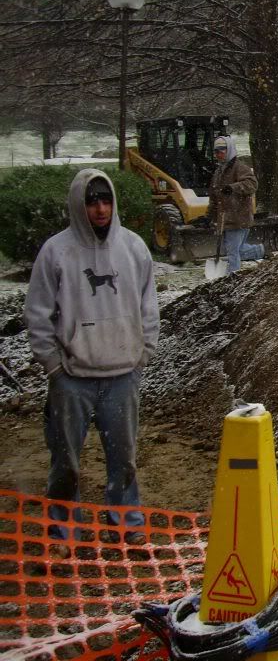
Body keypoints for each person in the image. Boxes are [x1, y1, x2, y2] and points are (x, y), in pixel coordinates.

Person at [23, 169, 159, 545]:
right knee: (65, 459)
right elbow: (37, 312)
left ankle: (126, 521)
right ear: (79, 204)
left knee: (125, 458)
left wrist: (144, 351)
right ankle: (64, 528)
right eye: (92, 201)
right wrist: (52, 363)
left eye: (106, 200)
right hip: (72, 376)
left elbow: (149, 306)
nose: (100, 209)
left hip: (123, 373)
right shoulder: (57, 252)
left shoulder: (133, 249)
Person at [208, 135, 264, 273]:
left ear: (230, 150)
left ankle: (232, 277)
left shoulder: (239, 168)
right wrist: (209, 215)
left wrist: (233, 187)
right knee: (238, 250)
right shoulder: (219, 172)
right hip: (226, 218)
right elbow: (214, 196)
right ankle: (260, 250)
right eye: (216, 151)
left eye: (222, 150)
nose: (218, 154)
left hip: (238, 217)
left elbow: (252, 184)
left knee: (233, 252)